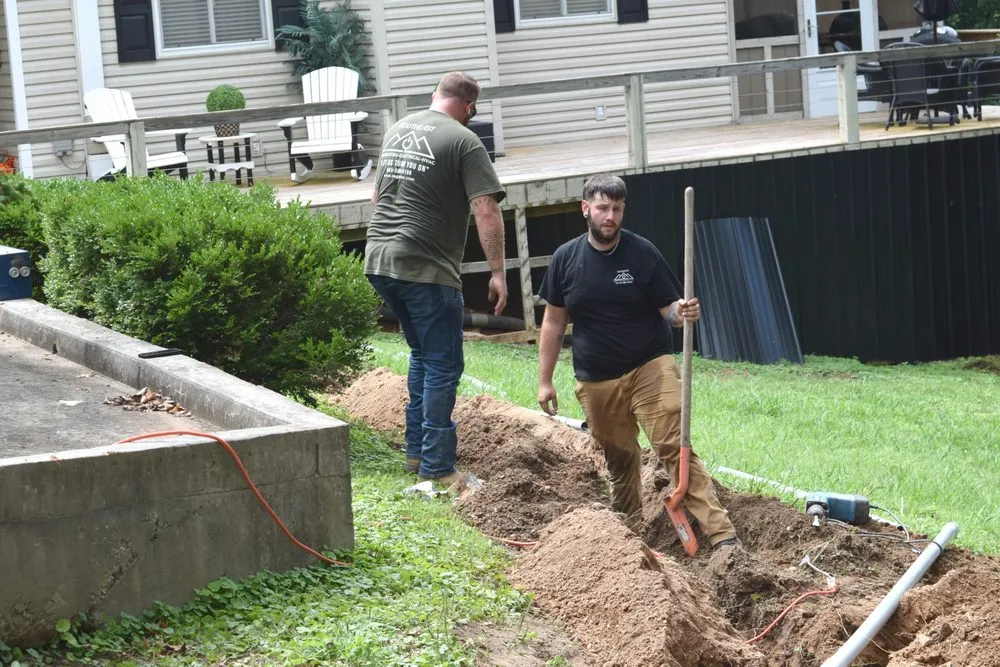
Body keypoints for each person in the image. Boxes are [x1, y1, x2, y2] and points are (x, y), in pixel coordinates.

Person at [536, 173, 739, 551]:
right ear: (586, 209)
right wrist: (545, 380)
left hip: (649, 365)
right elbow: (554, 321)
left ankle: (722, 536)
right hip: (596, 377)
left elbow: (669, 308)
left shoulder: (642, 252)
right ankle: (628, 539)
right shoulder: (566, 259)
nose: (610, 216)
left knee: (673, 445)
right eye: (602, 208)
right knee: (620, 459)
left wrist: (682, 311)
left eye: (617, 208)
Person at [365, 71, 507, 487]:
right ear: (468, 107)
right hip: (425, 268)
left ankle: (416, 454)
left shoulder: (398, 129)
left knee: (423, 356)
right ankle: (440, 468)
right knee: (444, 364)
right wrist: (497, 272)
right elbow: (485, 209)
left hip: (380, 260)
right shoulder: (464, 140)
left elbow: (377, 198)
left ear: (434, 96)